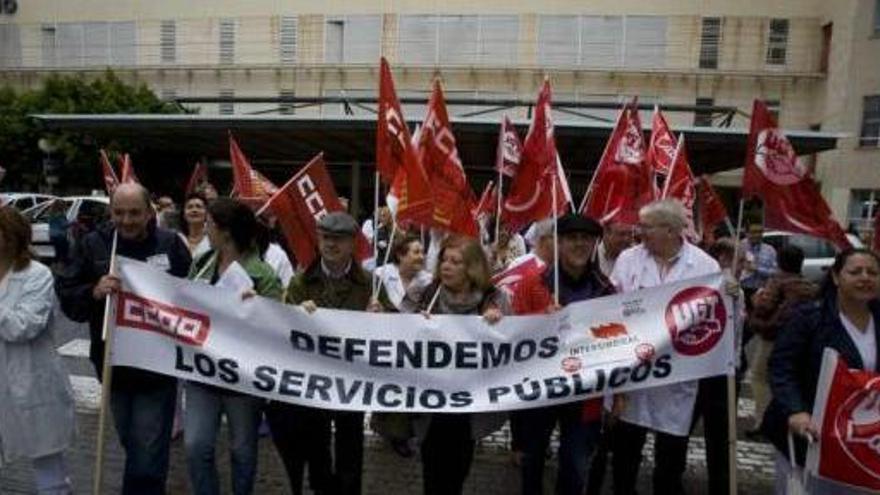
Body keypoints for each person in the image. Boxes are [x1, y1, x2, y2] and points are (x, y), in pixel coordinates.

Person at [56, 183, 192, 495]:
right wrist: (93, 291)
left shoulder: (170, 244)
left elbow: (192, 296)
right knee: (133, 443)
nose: (127, 220)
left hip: (156, 367)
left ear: (149, 213)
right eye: (119, 213)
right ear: (111, 212)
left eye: (134, 213)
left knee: (147, 452)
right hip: (113, 363)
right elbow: (68, 295)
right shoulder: (93, 244)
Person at [610, 199, 722, 495]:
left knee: (671, 457)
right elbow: (611, 304)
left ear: (671, 230)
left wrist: (731, 296)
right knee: (625, 450)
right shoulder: (629, 259)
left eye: (646, 227)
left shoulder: (704, 265)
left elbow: (716, 317)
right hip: (632, 372)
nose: (639, 232)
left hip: (676, 373)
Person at [266, 212, 371, 495]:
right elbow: (286, 325)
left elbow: (394, 330)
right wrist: (298, 314)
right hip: (316, 380)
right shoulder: (302, 281)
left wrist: (381, 315)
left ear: (352, 243)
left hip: (352, 380)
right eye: (325, 238)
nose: (330, 244)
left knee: (350, 445)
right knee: (317, 445)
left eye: (338, 239)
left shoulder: (369, 284)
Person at [184, 198, 282, 495]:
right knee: (195, 445)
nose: (205, 229)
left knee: (243, 450)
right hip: (203, 372)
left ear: (225, 231)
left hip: (242, 379)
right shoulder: (202, 265)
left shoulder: (263, 274)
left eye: (210, 225)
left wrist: (259, 308)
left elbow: (275, 328)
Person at [763, 248, 880, 494]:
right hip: (811, 438)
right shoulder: (809, 318)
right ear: (837, 277)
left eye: (872, 272)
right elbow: (782, 367)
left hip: (862, 444)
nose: (865, 277)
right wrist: (796, 411)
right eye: (855, 271)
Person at [512, 214, 613, 495]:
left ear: (594, 244)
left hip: (584, 393)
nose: (579, 244)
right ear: (559, 243)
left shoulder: (606, 289)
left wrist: (619, 397)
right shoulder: (532, 283)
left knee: (575, 465)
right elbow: (513, 334)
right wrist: (540, 319)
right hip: (539, 389)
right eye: (572, 238)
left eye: (586, 239)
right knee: (531, 462)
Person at [401, 235, 509, 495]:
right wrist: (414, 323)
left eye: (455, 262)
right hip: (431, 404)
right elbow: (397, 330)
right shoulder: (425, 293)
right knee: (432, 472)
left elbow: (511, 346)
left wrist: (498, 325)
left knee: (457, 472)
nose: (446, 266)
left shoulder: (494, 299)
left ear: (472, 267)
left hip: (468, 407)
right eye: (444, 260)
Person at [0, 206, 75, 494]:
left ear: (9, 237)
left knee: (50, 472)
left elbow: (22, 327)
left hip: (33, 383)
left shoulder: (37, 275)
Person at [747, 245, 818, 439]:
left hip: (773, 337)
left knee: (759, 377)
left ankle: (763, 420)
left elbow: (765, 307)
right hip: (798, 340)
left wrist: (756, 304)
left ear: (779, 262)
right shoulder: (807, 285)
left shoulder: (777, 282)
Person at [374, 234, 432, 310]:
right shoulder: (381, 274)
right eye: (416, 252)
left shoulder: (429, 280)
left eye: (422, 252)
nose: (421, 257)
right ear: (400, 255)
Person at [180, 192, 211, 258]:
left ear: (206, 213)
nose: (194, 210)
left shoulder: (213, 240)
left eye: (199, 207)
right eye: (190, 207)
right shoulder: (178, 240)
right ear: (184, 214)